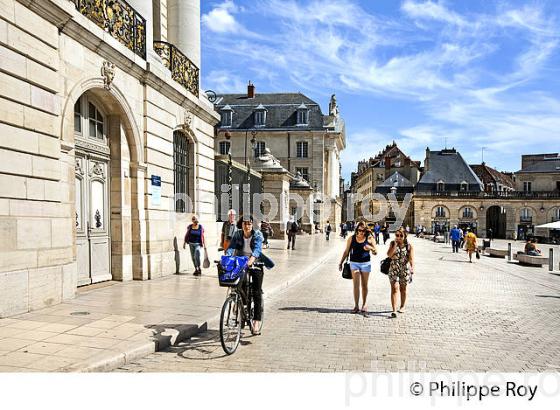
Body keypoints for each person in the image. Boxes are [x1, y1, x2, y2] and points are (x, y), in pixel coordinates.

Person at [225, 216, 274, 334]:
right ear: (241, 224)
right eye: (245, 224)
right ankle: (240, 306)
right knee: (239, 286)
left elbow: (257, 249)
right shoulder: (238, 234)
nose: (247, 226)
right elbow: (232, 247)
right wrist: (227, 257)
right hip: (241, 263)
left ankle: (256, 322)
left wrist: (251, 260)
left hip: (256, 263)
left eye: (249, 224)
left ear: (252, 225)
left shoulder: (257, 234)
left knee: (256, 292)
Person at [339, 221, 377, 314]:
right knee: (356, 284)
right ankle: (356, 305)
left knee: (364, 285)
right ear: (357, 230)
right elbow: (346, 251)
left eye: (363, 231)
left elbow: (376, 252)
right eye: (360, 230)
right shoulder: (351, 238)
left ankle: (364, 304)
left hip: (365, 263)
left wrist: (371, 248)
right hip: (354, 263)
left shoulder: (370, 238)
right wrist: (341, 262)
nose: (361, 232)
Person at [387, 227, 414, 318]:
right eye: (397, 235)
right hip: (394, 268)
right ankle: (394, 310)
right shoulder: (392, 243)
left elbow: (411, 258)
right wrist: (394, 245)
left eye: (401, 235)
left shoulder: (409, 246)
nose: (398, 237)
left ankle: (402, 306)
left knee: (403, 288)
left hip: (404, 269)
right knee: (394, 288)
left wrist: (412, 268)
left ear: (405, 236)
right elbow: (389, 255)